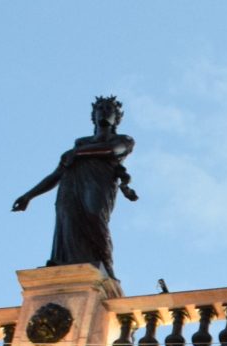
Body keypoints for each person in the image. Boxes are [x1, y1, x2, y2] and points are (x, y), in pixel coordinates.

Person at [13, 96, 138, 280]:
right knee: (68, 219)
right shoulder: (80, 142)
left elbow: (111, 150)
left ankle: (105, 266)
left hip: (99, 182)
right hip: (71, 186)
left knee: (95, 217)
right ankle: (68, 263)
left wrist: (76, 153)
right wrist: (28, 196)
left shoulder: (124, 139)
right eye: (100, 108)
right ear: (93, 115)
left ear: (116, 118)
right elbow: (56, 175)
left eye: (108, 109)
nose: (104, 112)